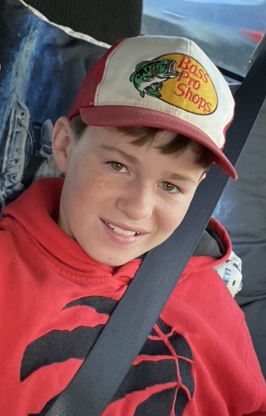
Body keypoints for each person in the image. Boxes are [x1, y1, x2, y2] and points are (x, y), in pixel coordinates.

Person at [0, 36, 265, 415]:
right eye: (118, 166)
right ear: (63, 146)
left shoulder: (210, 295)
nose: (138, 208)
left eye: (171, 186)